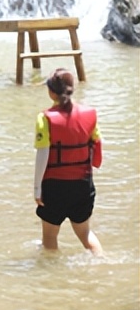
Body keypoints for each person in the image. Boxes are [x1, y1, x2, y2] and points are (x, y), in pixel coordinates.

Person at [35, 68, 102, 253]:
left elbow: (42, 155)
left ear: (51, 92)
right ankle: (101, 264)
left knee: (49, 238)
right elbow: (96, 145)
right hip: (83, 185)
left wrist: (37, 189)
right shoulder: (90, 115)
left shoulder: (45, 118)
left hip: (54, 186)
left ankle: (53, 278)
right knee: (85, 233)